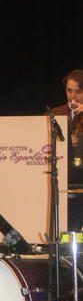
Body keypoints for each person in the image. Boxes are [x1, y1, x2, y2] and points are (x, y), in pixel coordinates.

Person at [50, 69, 83, 231]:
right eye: (69, 91)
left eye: (78, 92)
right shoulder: (55, 113)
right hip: (63, 174)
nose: (73, 96)